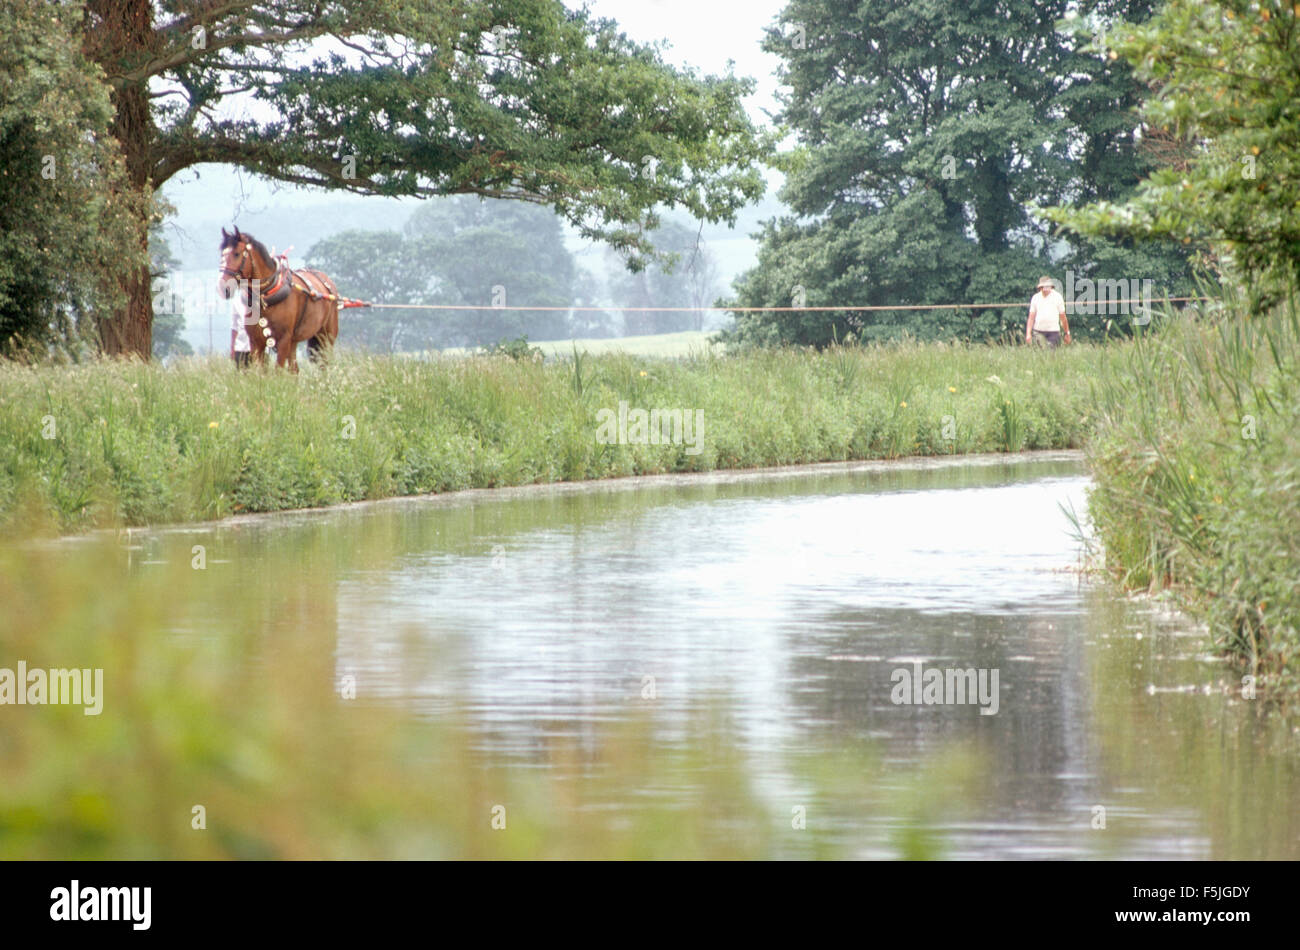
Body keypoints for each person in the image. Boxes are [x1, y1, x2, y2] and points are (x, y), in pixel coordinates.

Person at [1025, 275, 1071, 347]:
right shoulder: (1035, 298)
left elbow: (1063, 318)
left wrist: (1067, 333)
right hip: (1038, 331)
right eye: (1043, 287)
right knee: (1040, 354)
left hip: (1054, 331)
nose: (1045, 289)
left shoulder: (1057, 297)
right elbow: (1031, 318)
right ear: (1040, 287)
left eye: (1047, 286)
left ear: (1051, 287)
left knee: (1052, 354)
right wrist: (1028, 333)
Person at [230, 285, 253, 368]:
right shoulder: (236, 302)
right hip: (240, 347)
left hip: (257, 348)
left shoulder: (260, 302)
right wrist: (232, 347)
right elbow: (234, 326)